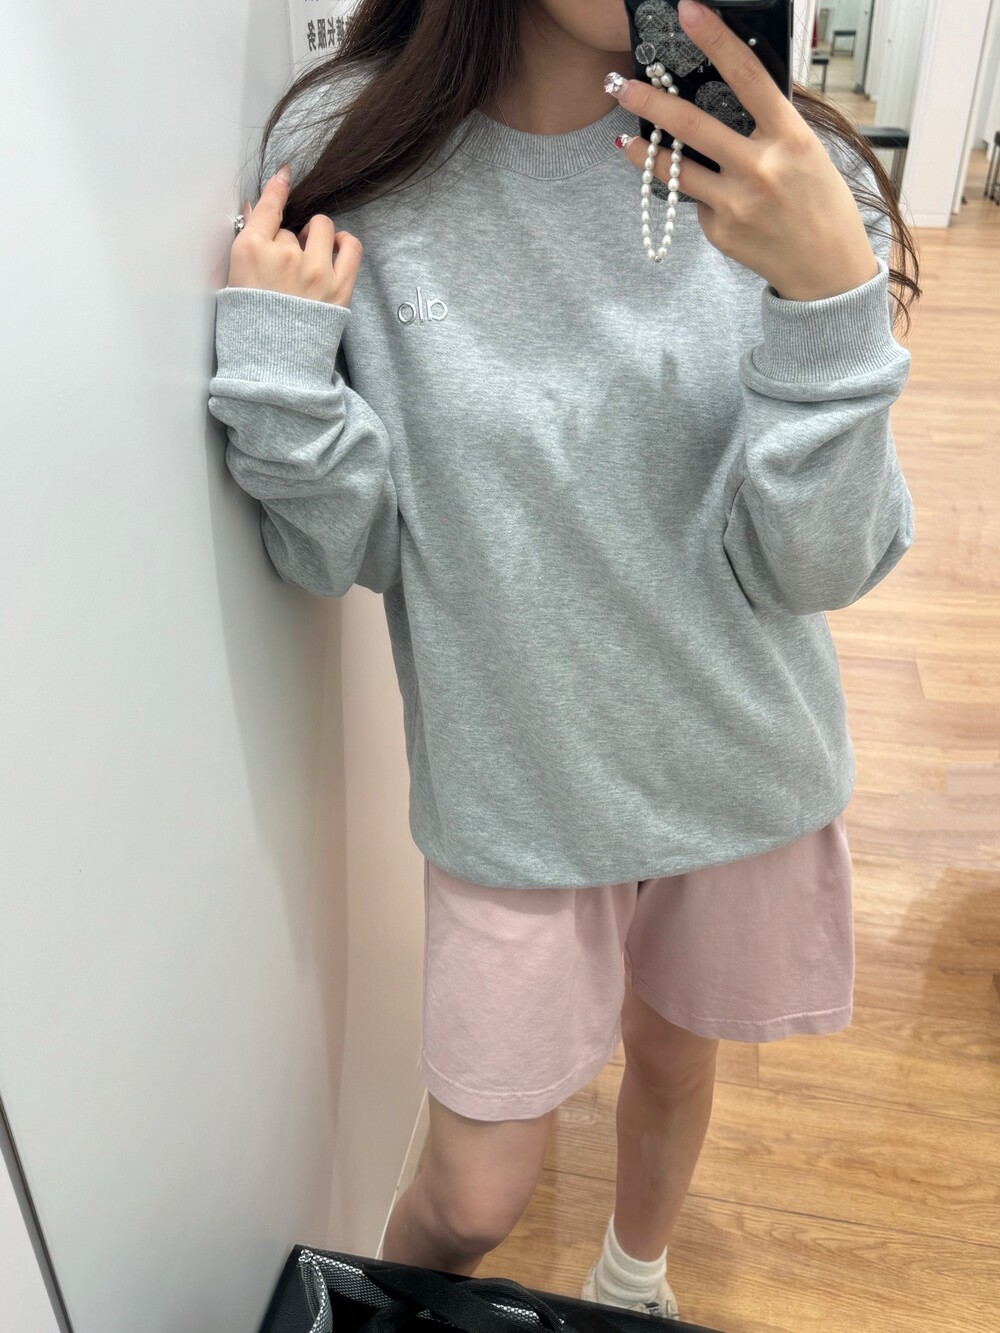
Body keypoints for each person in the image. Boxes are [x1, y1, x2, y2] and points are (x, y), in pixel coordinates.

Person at [209, 0, 921, 1322]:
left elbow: (817, 566)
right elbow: (342, 549)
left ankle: (635, 1278)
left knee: (675, 1052)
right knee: (470, 1196)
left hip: (736, 756)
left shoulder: (780, 160)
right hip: (514, 778)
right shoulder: (353, 145)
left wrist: (832, 299)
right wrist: (279, 371)